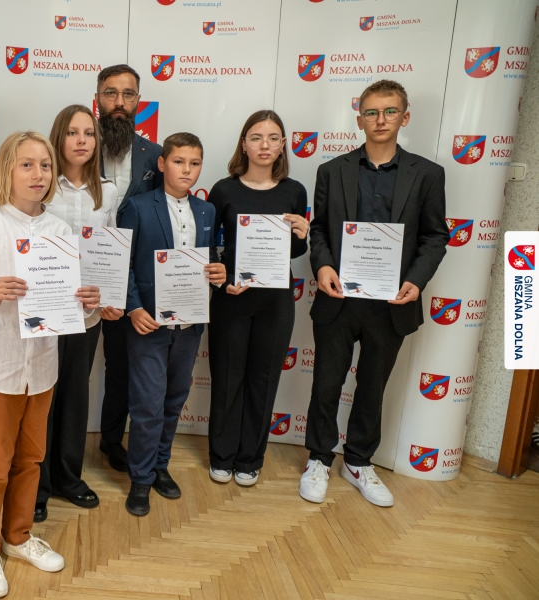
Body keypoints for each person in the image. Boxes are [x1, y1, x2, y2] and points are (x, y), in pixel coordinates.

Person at [0, 131, 100, 598]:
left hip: (43, 367)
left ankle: (17, 536)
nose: (38, 174)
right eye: (27, 165)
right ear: (7, 171)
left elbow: (72, 310)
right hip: (0, 367)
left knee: (31, 458)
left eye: (45, 166)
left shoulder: (60, 232)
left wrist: (89, 306)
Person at [300, 80, 447, 507]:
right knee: (326, 382)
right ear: (359, 118)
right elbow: (319, 230)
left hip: (391, 303)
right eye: (371, 112)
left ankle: (359, 461)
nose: (380, 120)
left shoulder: (428, 174)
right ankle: (318, 458)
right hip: (339, 299)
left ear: (405, 116)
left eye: (389, 111)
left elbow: (435, 236)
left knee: (372, 387)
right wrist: (322, 265)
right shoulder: (332, 171)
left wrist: (416, 280)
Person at [117, 133, 226, 516]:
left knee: (174, 399)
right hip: (148, 323)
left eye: (194, 163)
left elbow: (210, 259)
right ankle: (140, 478)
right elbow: (124, 264)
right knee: (147, 404)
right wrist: (133, 308)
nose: (187, 170)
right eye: (179, 161)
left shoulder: (206, 211)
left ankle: (160, 466)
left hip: (190, 324)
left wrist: (218, 272)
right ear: (162, 164)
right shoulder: (137, 206)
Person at [207, 110, 308, 487]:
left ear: (283, 145)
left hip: (275, 301)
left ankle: (250, 458)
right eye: (256, 137)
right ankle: (222, 456)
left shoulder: (294, 191)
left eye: (273, 138)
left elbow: (296, 251)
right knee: (227, 378)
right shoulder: (224, 189)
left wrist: (302, 233)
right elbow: (208, 245)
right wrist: (223, 281)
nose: (264, 145)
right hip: (232, 298)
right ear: (244, 144)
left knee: (263, 381)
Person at [34, 105, 121, 523]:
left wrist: (111, 296)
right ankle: (36, 485)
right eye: (72, 132)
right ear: (59, 137)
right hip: (45, 311)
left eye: (88, 133)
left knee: (74, 394)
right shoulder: (41, 184)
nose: (82, 140)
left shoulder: (108, 191)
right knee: (42, 398)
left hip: (87, 313)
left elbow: (111, 249)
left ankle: (68, 477)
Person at [95, 64, 164, 473]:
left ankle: (110, 440)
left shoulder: (156, 156)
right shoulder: (78, 147)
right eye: (111, 93)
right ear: (98, 99)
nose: (119, 102)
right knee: (67, 367)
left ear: (139, 101)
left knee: (122, 368)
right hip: (83, 277)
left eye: (128, 94)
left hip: (134, 283)